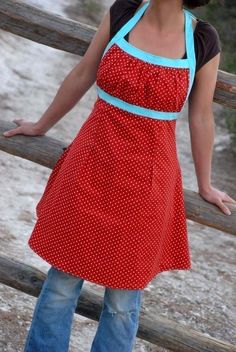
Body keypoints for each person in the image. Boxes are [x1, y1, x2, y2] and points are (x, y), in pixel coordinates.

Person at [3, 0, 236, 351]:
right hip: (90, 167)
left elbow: (201, 117)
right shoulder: (123, 11)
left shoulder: (203, 38)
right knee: (62, 281)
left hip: (148, 185)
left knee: (123, 300)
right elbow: (84, 72)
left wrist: (205, 184)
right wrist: (41, 125)